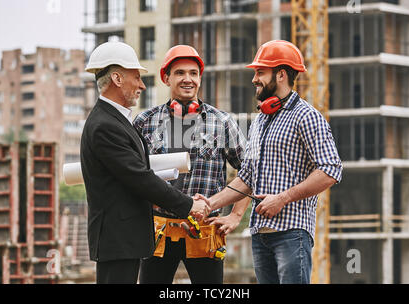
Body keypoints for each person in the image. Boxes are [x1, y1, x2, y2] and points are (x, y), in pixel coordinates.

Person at [208, 40, 343, 284]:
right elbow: (246, 177)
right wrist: (210, 203)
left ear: (281, 74)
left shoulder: (307, 116)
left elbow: (331, 169)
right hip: (260, 234)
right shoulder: (260, 121)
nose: (254, 79)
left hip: (292, 232)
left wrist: (282, 198)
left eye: (260, 72)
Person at [80, 41, 210, 284]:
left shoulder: (114, 120)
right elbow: (139, 178)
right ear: (117, 78)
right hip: (118, 241)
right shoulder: (106, 126)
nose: (141, 85)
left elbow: (137, 174)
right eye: (136, 77)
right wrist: (189, 204)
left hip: (123, 241)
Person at [134, 45, 249, 284]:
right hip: (158, 231)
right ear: (166, 77)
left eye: (193, 73)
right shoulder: (145, 122)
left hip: (205, 231)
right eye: (180, 73)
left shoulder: (222, 122)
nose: (188, 79)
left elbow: (249, 170)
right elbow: (132, 175)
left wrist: (236, 216)